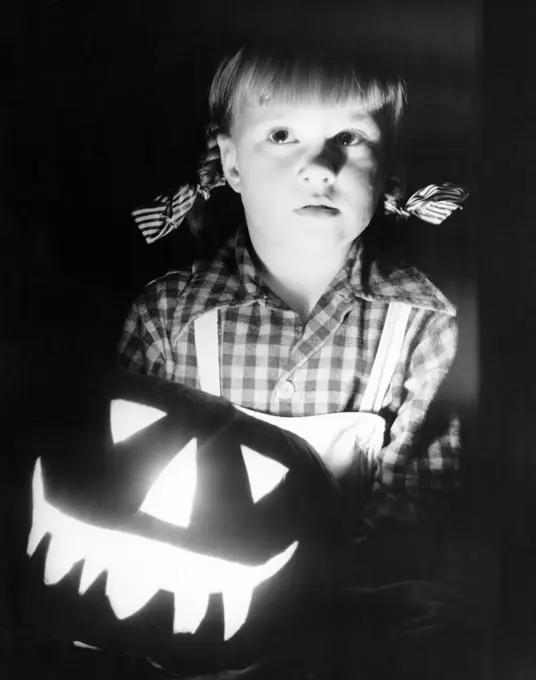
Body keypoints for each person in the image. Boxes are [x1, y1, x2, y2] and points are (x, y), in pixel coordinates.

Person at [117, 37, 468, 561]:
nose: (321, 167)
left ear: (387, 163)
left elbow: (413, 512)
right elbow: (121, 491)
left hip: (352, 618)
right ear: (232, 163)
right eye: (282, 135)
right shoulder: (165, 321)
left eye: (349, 137)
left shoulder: (426, 326)